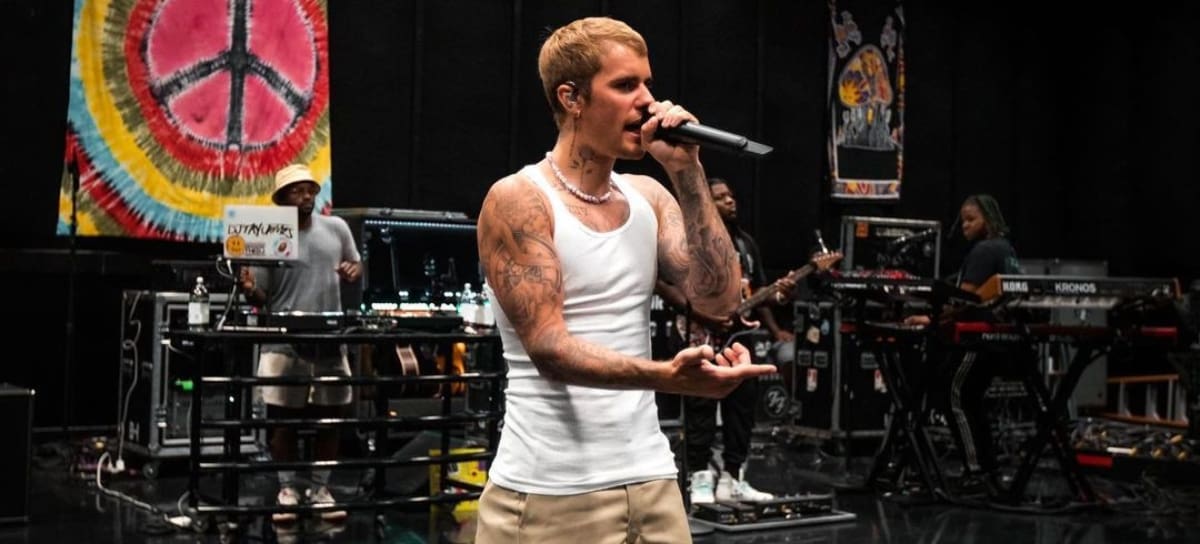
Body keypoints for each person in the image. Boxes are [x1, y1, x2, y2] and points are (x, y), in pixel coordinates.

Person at [474, 17, 775, 543]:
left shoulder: (648, 198)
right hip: (551, 491)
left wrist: (686, 170)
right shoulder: (520, 200)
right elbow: (549, 349)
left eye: (648, 84)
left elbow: (720, 301)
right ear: (571, 98)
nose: (648, 102)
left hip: (652, 478)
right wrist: (669, 377)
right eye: (625, 85)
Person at [659, 177, 794, 505]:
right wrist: (703, 317)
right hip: (699, 333)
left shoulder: (746, 245)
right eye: (720, 197)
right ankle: (699, 478)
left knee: (742, 409)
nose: (730, 201)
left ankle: (733, 478)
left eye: (731, 195)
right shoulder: (689, 240)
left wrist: (780, 295)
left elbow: (757, 292)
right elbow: (662, 284)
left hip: (739, 336)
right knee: (700, 408)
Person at [238, 164, 362, 523]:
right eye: (297, 190)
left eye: (310, 189)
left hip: (329, 339)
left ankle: (320, 489)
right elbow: (262, 295)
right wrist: (249, 289)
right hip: (284, 340)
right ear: (282, 198)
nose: (307, 196)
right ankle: (288, 489)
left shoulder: (337, 228)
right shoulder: (271, 232)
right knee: (284, 421)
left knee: (330, 420)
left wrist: (354, 270)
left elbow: (355, 264)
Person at [906, 193, 1019, 494]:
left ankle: (975, 470)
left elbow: (964, 300)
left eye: (972, 219)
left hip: (976, 340)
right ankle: (988, 468)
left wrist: (930, 318)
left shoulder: (984, 250)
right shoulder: (1006, 248)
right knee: (971, 400)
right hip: (999, 340)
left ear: (988, 220)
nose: (965, 225)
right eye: (963, 220)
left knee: (953, 396)